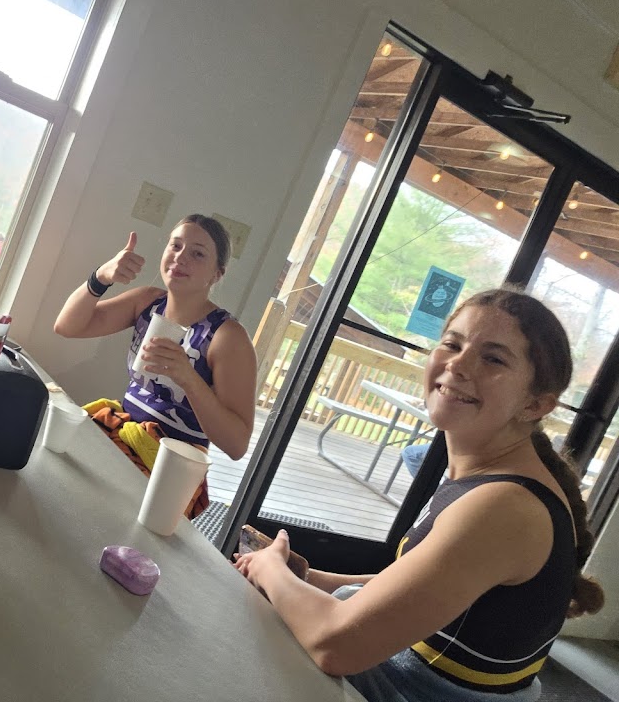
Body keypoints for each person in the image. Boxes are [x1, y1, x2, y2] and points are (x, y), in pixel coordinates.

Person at [234, 289, 604, 702]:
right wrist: (311, 579)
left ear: (535, 405)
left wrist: (271, 570)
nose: (458, 364)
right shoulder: (486, 476)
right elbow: (420, 585)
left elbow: (335, 646)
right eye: (453, 344)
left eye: (493, 359)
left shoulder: (505, 507)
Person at [54, 215, 257, 516]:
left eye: (197, 253)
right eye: (175, 246)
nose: (180, 257)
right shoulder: (148, 302)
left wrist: (188, 377)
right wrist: (101, 277)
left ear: (217, 274)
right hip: (122, 436)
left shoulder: (227, 337)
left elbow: (236, 444)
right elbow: (67, 326)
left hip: (171, 471)